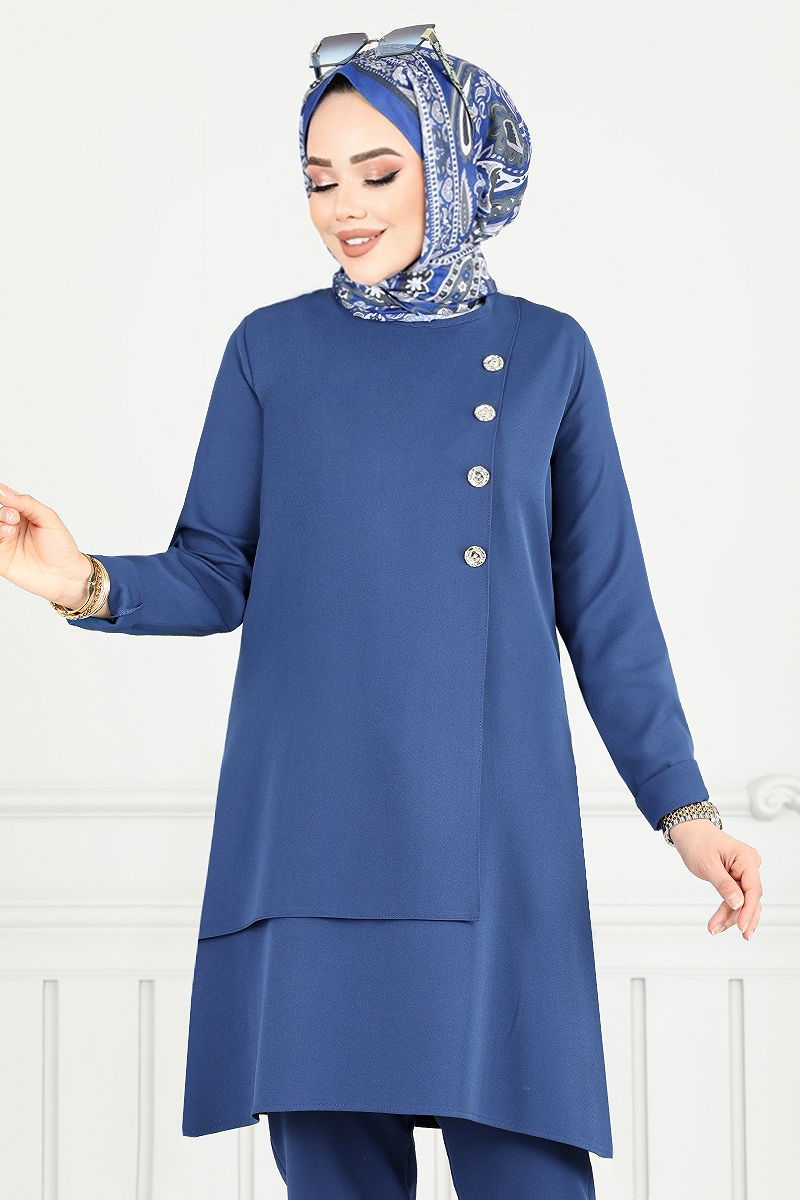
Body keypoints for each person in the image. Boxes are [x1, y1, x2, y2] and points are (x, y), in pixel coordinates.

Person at [0, 26, 763, 1200]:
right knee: (333, 1172)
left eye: (377, 172)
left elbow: (605, 605)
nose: (343, 209)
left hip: (489, 833)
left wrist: (684, 811)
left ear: (453, 171)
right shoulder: (270, 349)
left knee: (526, 1170)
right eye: (319, 180)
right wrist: (83, 582)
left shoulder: (546, 354)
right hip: (309, 826)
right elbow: (217, 568)